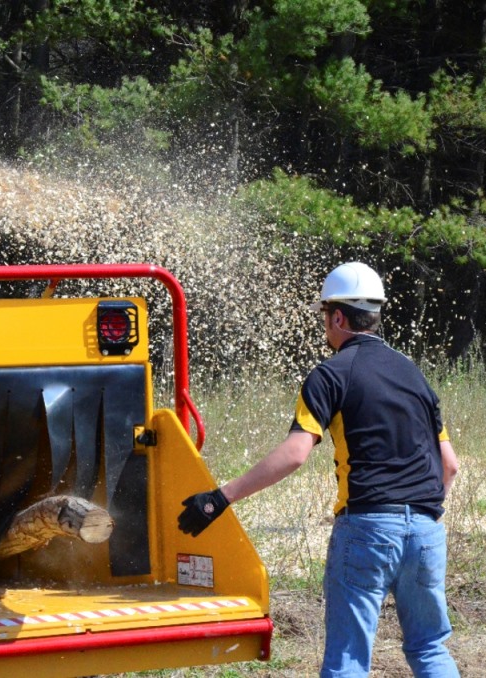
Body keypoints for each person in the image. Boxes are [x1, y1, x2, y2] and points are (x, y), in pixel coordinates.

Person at [177, 261, 460, 677]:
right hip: (426, 530)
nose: (325, 327)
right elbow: (449, 465)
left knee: (347, 661)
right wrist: (419, 518)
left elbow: (295, 453)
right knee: (429, 648)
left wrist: (220, 498)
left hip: (367, 527)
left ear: (339, 317)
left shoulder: (330, 375)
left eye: (326, 318)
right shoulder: (414, 375)